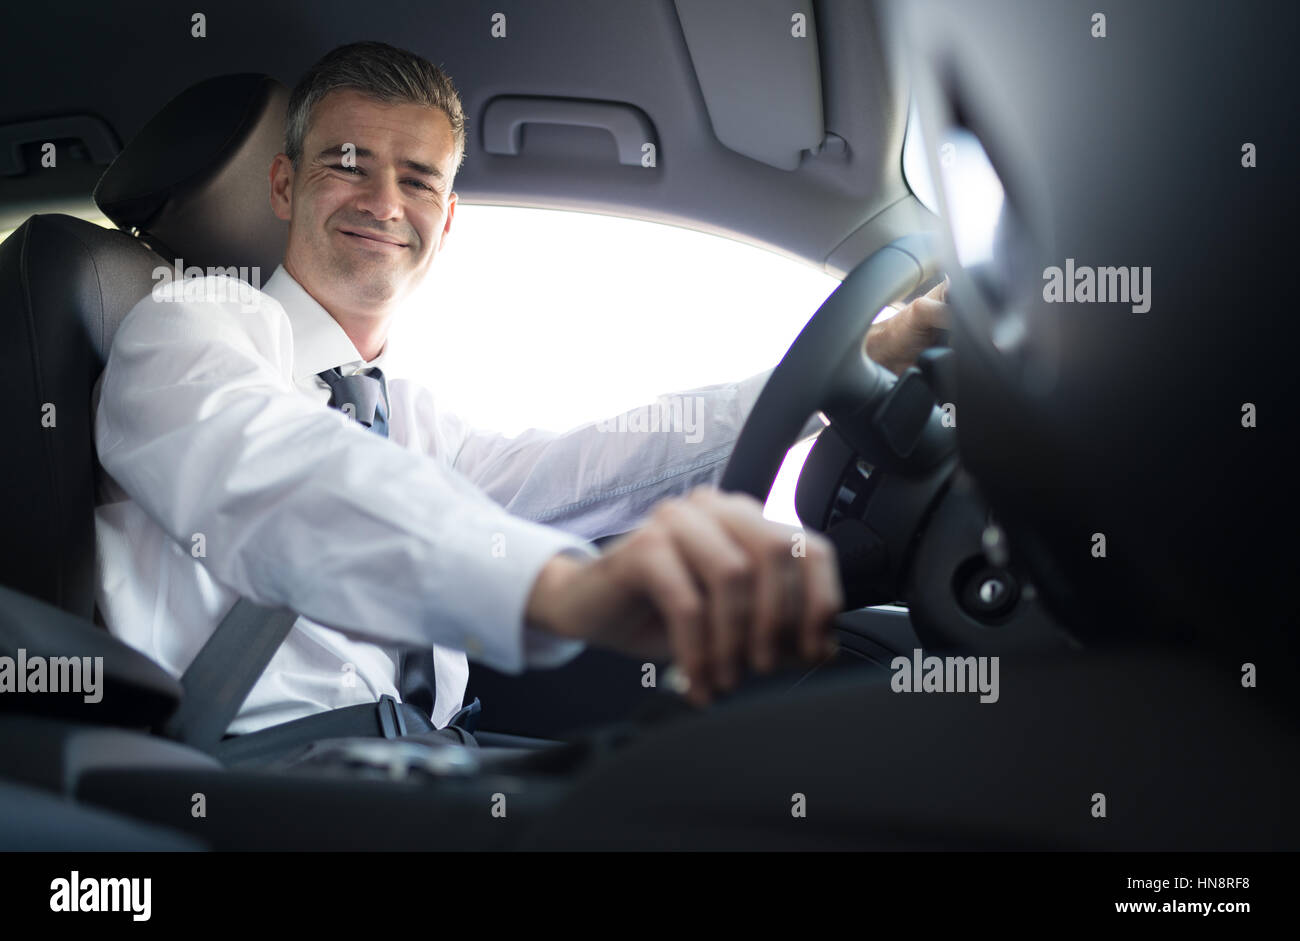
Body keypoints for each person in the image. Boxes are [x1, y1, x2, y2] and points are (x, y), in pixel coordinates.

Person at [92, 41, 948, 740]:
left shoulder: (411, 414)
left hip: (429, 759)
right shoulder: (192, 324)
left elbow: (594, 463)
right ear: (285, 185)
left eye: (419, 178)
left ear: (448, 215)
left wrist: (866, 355)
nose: (385, 202)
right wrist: (560, 589)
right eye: (348, 166)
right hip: (258, 780)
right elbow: (270, 472)